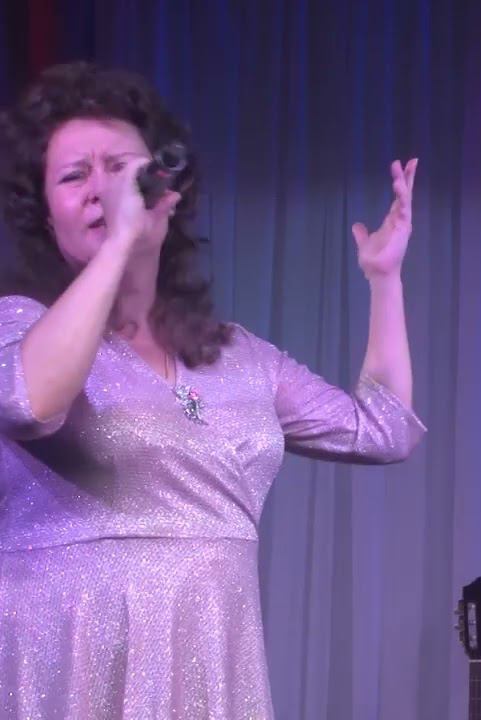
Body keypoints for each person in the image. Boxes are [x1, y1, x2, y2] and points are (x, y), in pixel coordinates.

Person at [0, 62, 425, 718]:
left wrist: (384, 280)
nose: (101, 189)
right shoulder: (20, 326)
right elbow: (30, 403)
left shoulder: (238, 357)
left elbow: (385, 430)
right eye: (73, 176)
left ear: (166, 193)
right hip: (71, 658)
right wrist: (119, 242)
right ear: (45, 213)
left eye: (121, 169)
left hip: (209, 657)